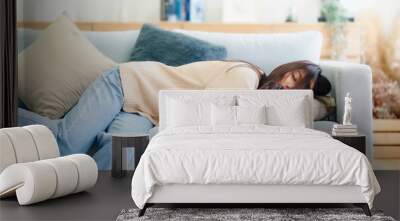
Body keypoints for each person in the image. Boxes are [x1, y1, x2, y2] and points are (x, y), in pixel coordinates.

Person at [18, 60, 331, 169]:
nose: (292, 85)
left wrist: (324, 104)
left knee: (113, 162)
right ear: (287, 68)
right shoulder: (246, 78)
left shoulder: (259, 88)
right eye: (297, 76)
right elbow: (198, 115)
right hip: (124, 86)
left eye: (302, 87)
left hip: (146, 111)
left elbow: (308, 107)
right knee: (65, 147)